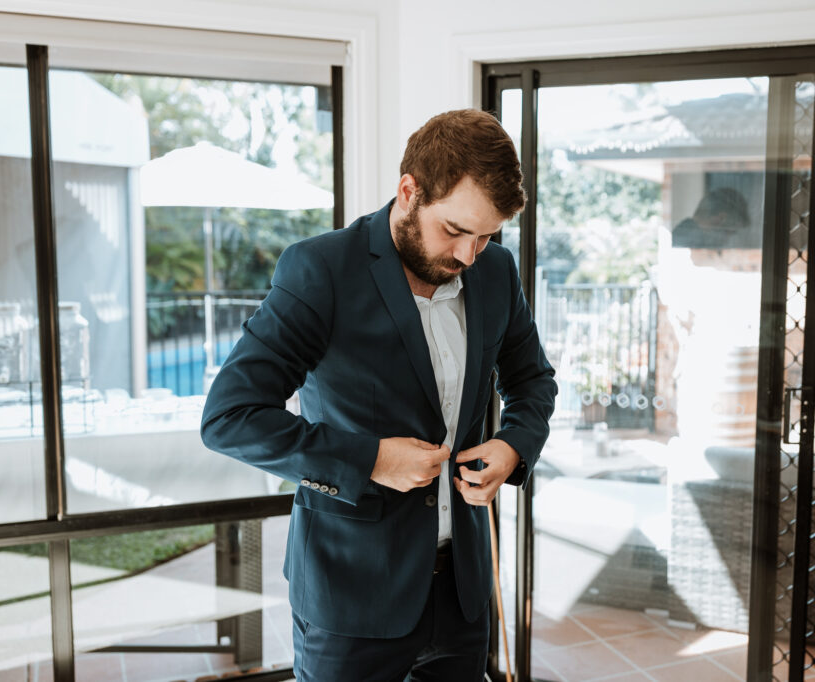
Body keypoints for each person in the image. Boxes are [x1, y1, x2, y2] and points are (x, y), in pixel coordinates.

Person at [200, 109, 557, 681]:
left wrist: (514, 445)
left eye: (487, 236)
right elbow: (230, 418)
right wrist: (371, 460)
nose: (469, 256)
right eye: (457, 231)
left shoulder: (496, 271)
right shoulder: (321, 270)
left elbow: (533, 378)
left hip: (463, 594)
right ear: (409, 191)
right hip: (351, 598)